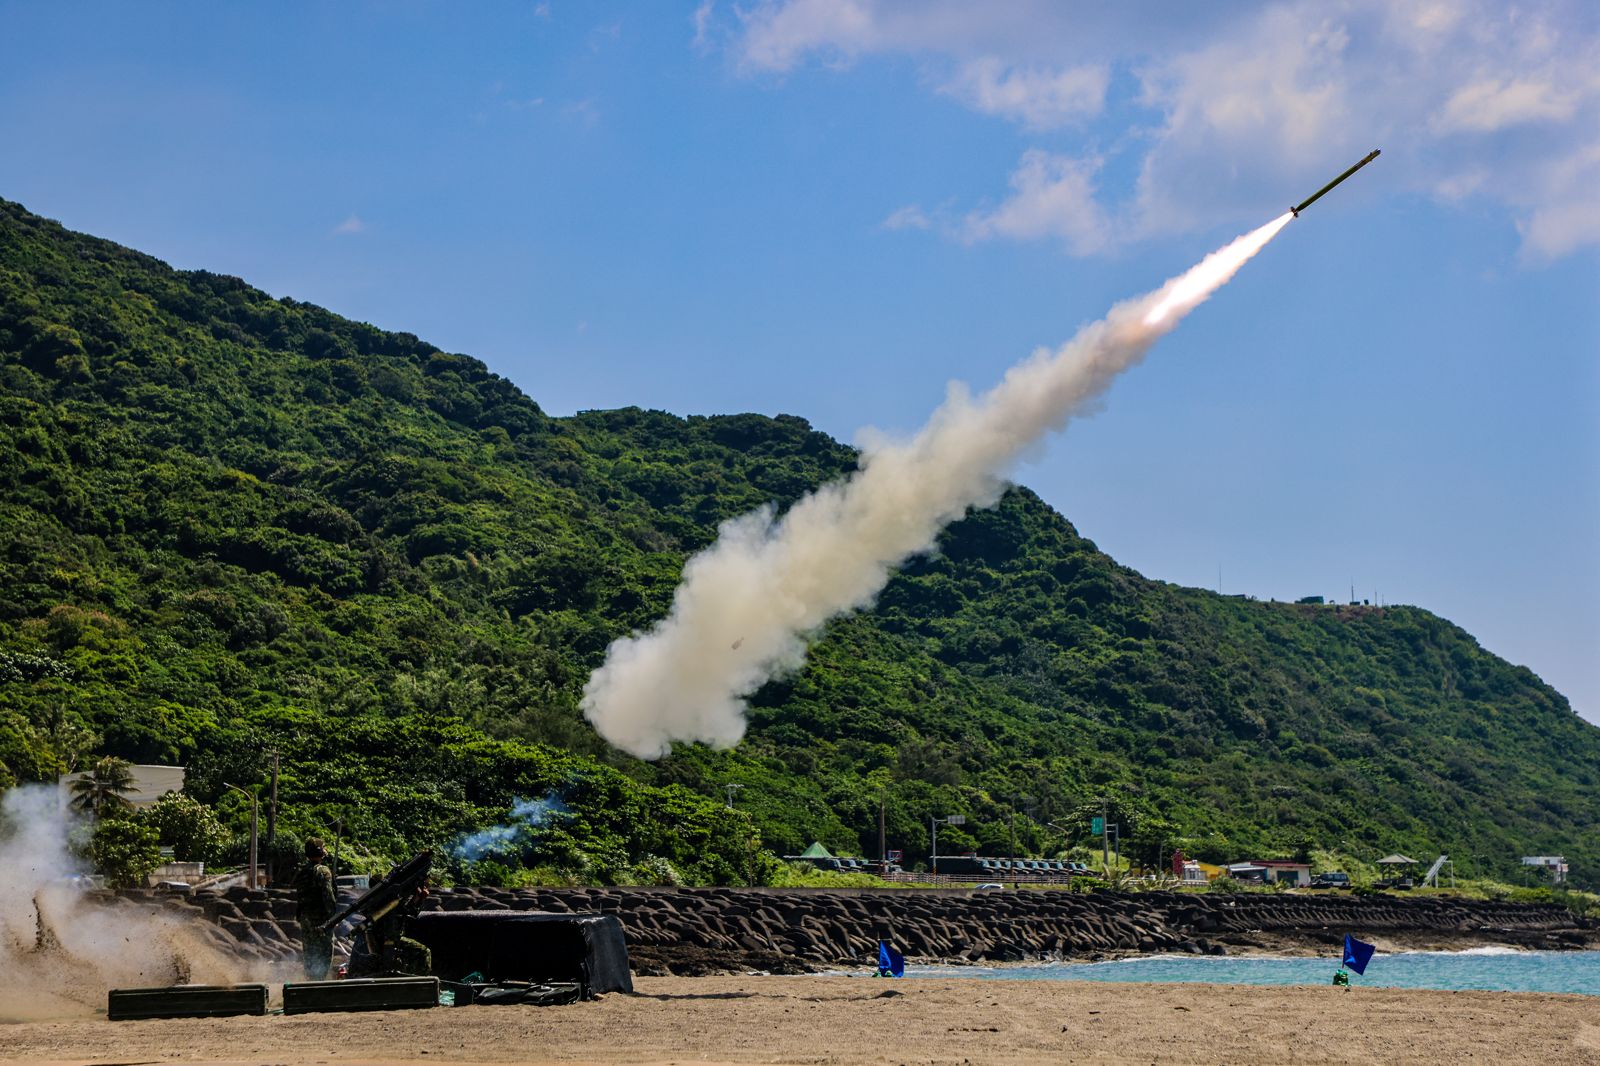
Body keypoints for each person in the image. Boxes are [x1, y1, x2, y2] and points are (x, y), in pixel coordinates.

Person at [348, 872, 432, 977]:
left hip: (382, 939)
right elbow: (405, 912)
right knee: (423, 952)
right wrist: (417, 899)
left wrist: (418, 899)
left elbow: (406, 912)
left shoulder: (378, 899)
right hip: (382, 940)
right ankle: (421, 984)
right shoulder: (382, 901)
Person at [292, 838, 338, 980]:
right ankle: (319, 984)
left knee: (310, 953)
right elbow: (328, 897)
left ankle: (310, 982)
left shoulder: (302, 871)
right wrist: (333, 918)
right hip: (321, 921)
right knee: (324, 954)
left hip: (305, 920)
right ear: (320, 851)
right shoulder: (323, 871)